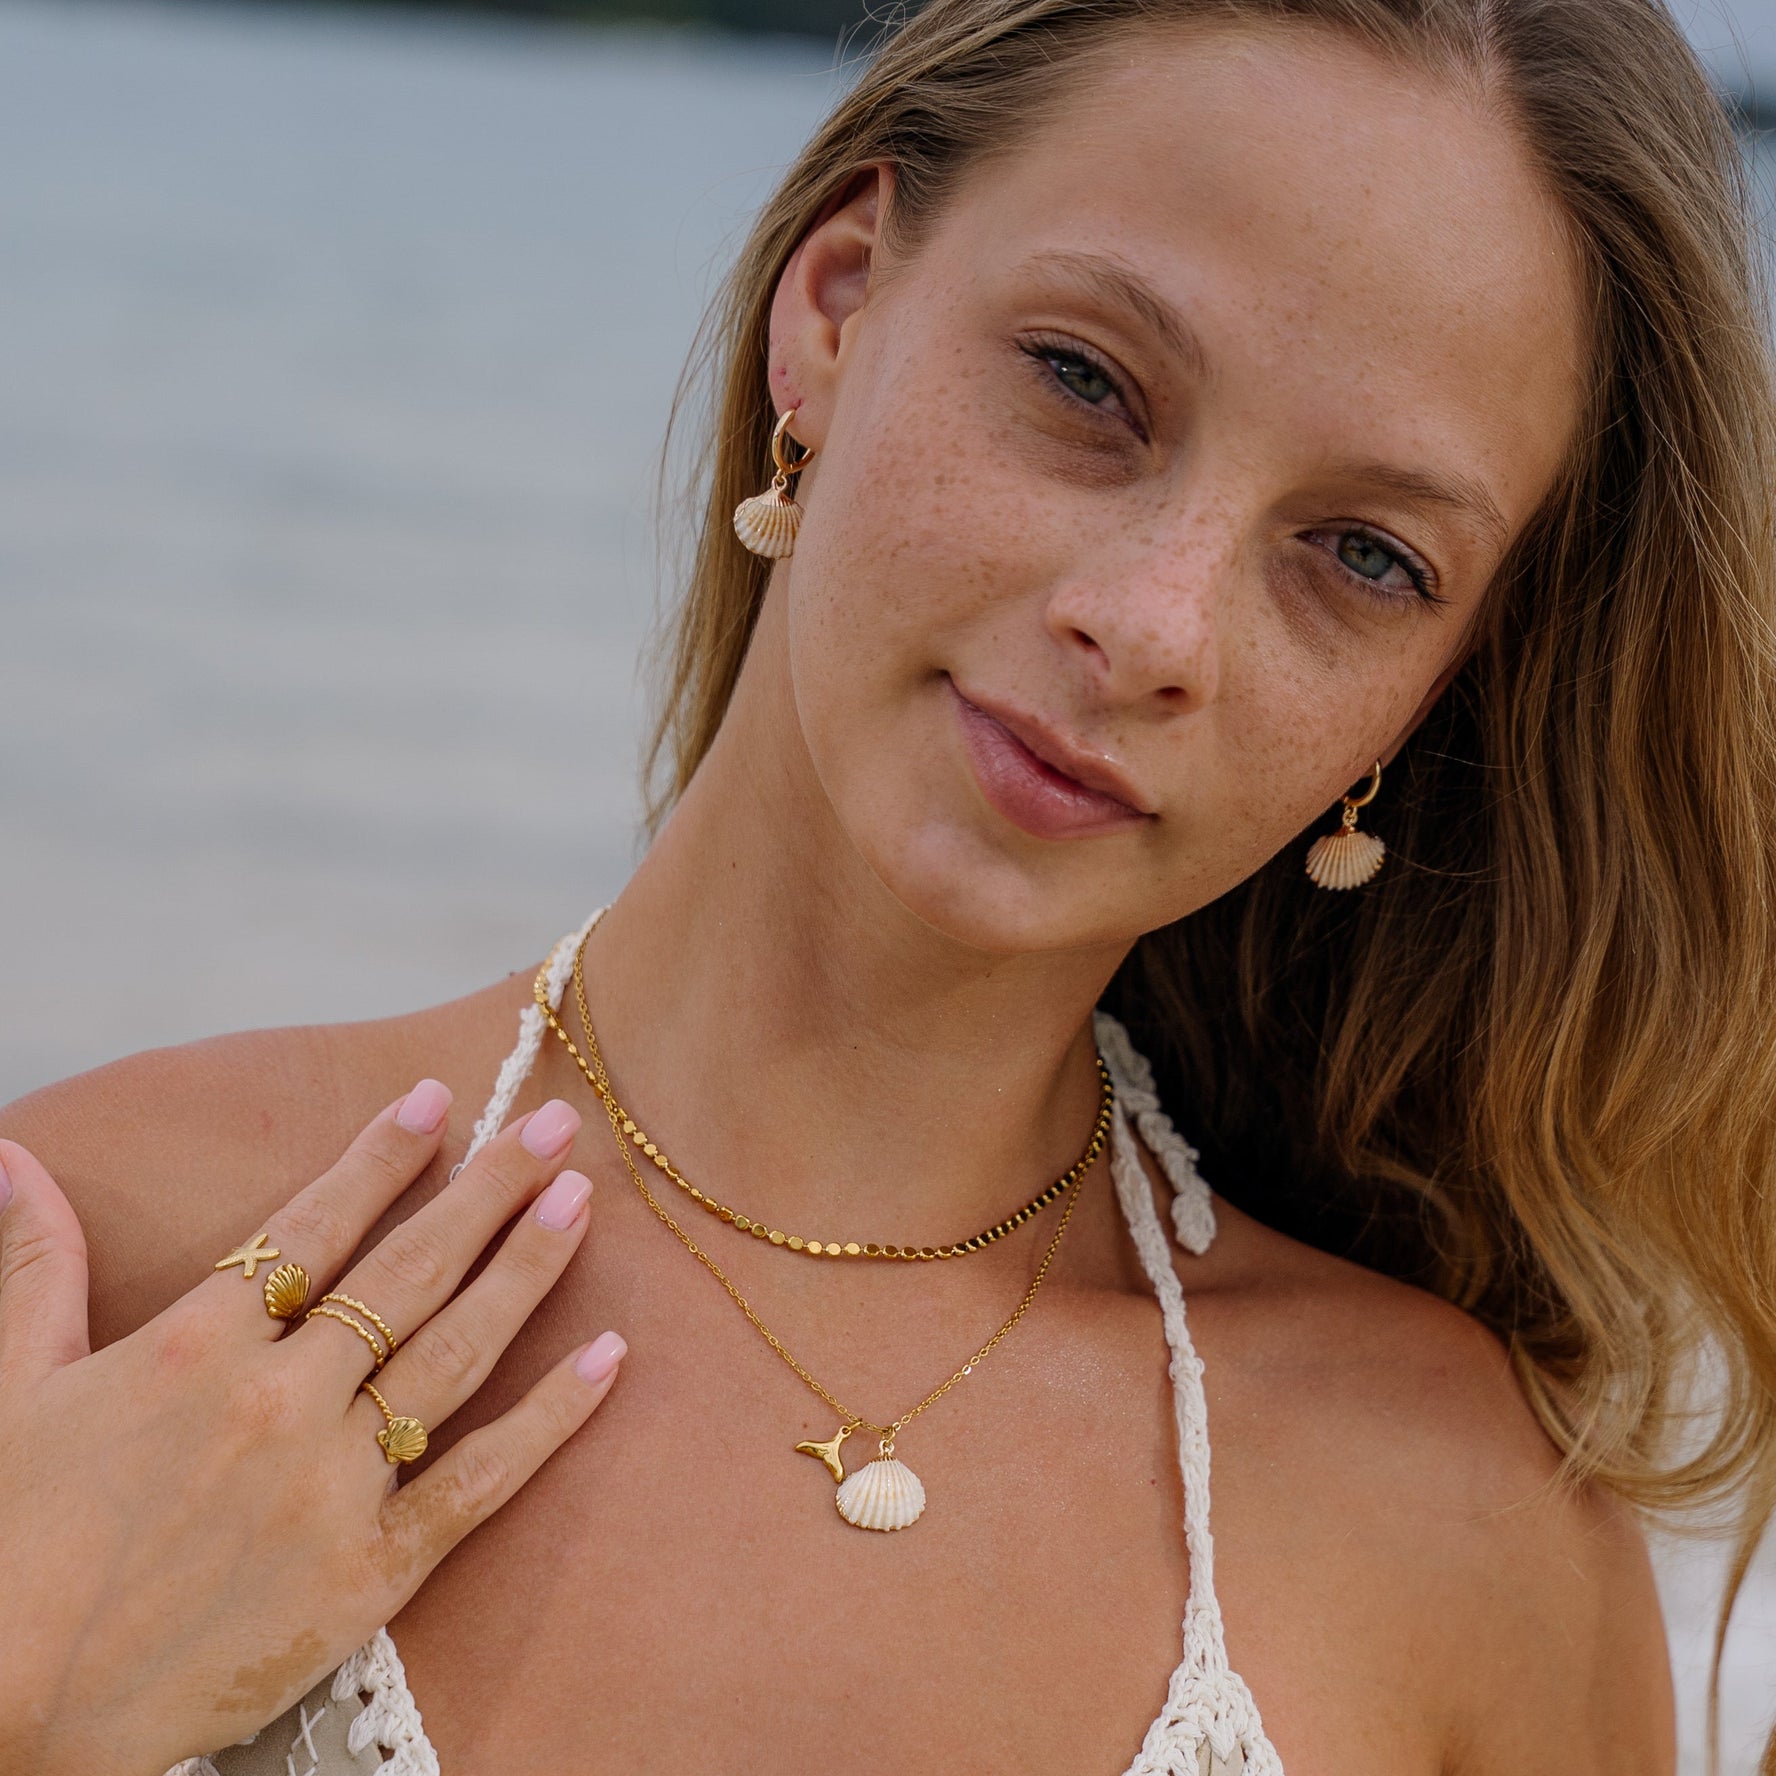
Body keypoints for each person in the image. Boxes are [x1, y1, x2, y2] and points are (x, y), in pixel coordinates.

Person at [3, 0, 1773, 1768]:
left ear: (1434, 689)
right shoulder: (98, 1266)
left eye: (1367, 557)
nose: (1154, 624)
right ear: (837, 305)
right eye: (1088, 382)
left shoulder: (1470, 1538)